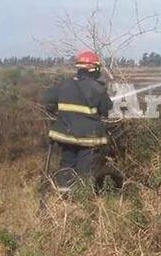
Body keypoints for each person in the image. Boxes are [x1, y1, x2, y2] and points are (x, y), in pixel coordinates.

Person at [42, 50, 113, 194]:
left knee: (67, 166)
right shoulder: (98, 89)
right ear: (94, 69)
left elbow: (47, 100)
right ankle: (82, 202)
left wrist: (57, 112)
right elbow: (106, 108)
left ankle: (63, 199)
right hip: (88, 140)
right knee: (85, 171)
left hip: (66, 136)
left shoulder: (64, 85)